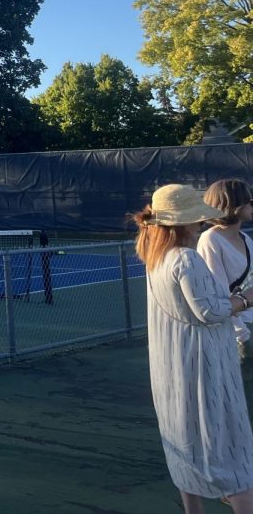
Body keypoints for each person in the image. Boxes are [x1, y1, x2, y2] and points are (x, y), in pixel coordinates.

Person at [135, 183, 253, 513]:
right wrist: (247, 298)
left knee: (184, 436)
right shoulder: (185, 259)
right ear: (183, 223)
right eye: (196, 218)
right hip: (203, 361)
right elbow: (211, 311)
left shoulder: (155, 257)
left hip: (172, 361)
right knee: (231, 444)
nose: (201, 223)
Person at [197, 179, 253, 359]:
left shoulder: (245, 238)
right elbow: (219, 296)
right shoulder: (210, 240)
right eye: (249, 201)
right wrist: (243, 337)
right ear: (235, 206)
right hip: (237, 334)